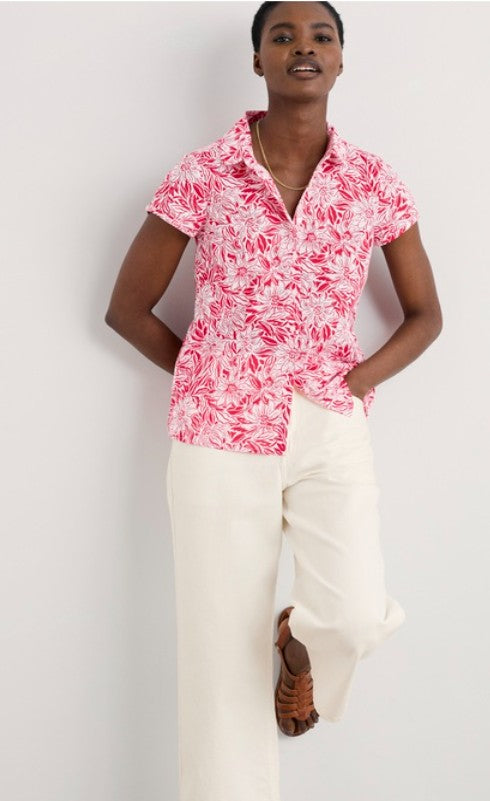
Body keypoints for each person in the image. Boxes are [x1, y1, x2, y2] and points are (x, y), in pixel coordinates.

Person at [105, 2, 443, 799]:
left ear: (341, 60)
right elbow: (127, 308)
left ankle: (300, 639)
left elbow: (426, 315)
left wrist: (357, 380)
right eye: (281, 36)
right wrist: (210, 375)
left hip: (329, 422)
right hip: (219, 433)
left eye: (321, 36)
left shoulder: (372, 180)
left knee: (353, 612)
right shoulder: (205, 172)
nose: (302, 48)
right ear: (257, 61)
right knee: (220, 660)